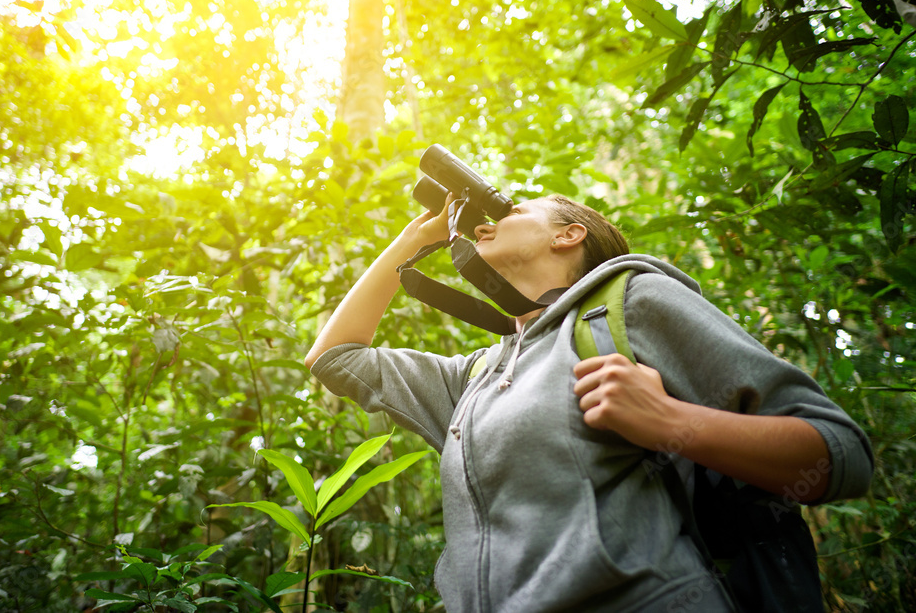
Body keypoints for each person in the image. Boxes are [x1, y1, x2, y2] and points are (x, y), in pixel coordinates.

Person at [304, 193, 873, 612]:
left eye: (514, 210)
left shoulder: (632, 302)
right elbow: (334, 358)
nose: (488, 223)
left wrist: (670, 421)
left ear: (567, 235)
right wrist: (412, 242)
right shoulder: (477, 376)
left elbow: (839, 455)